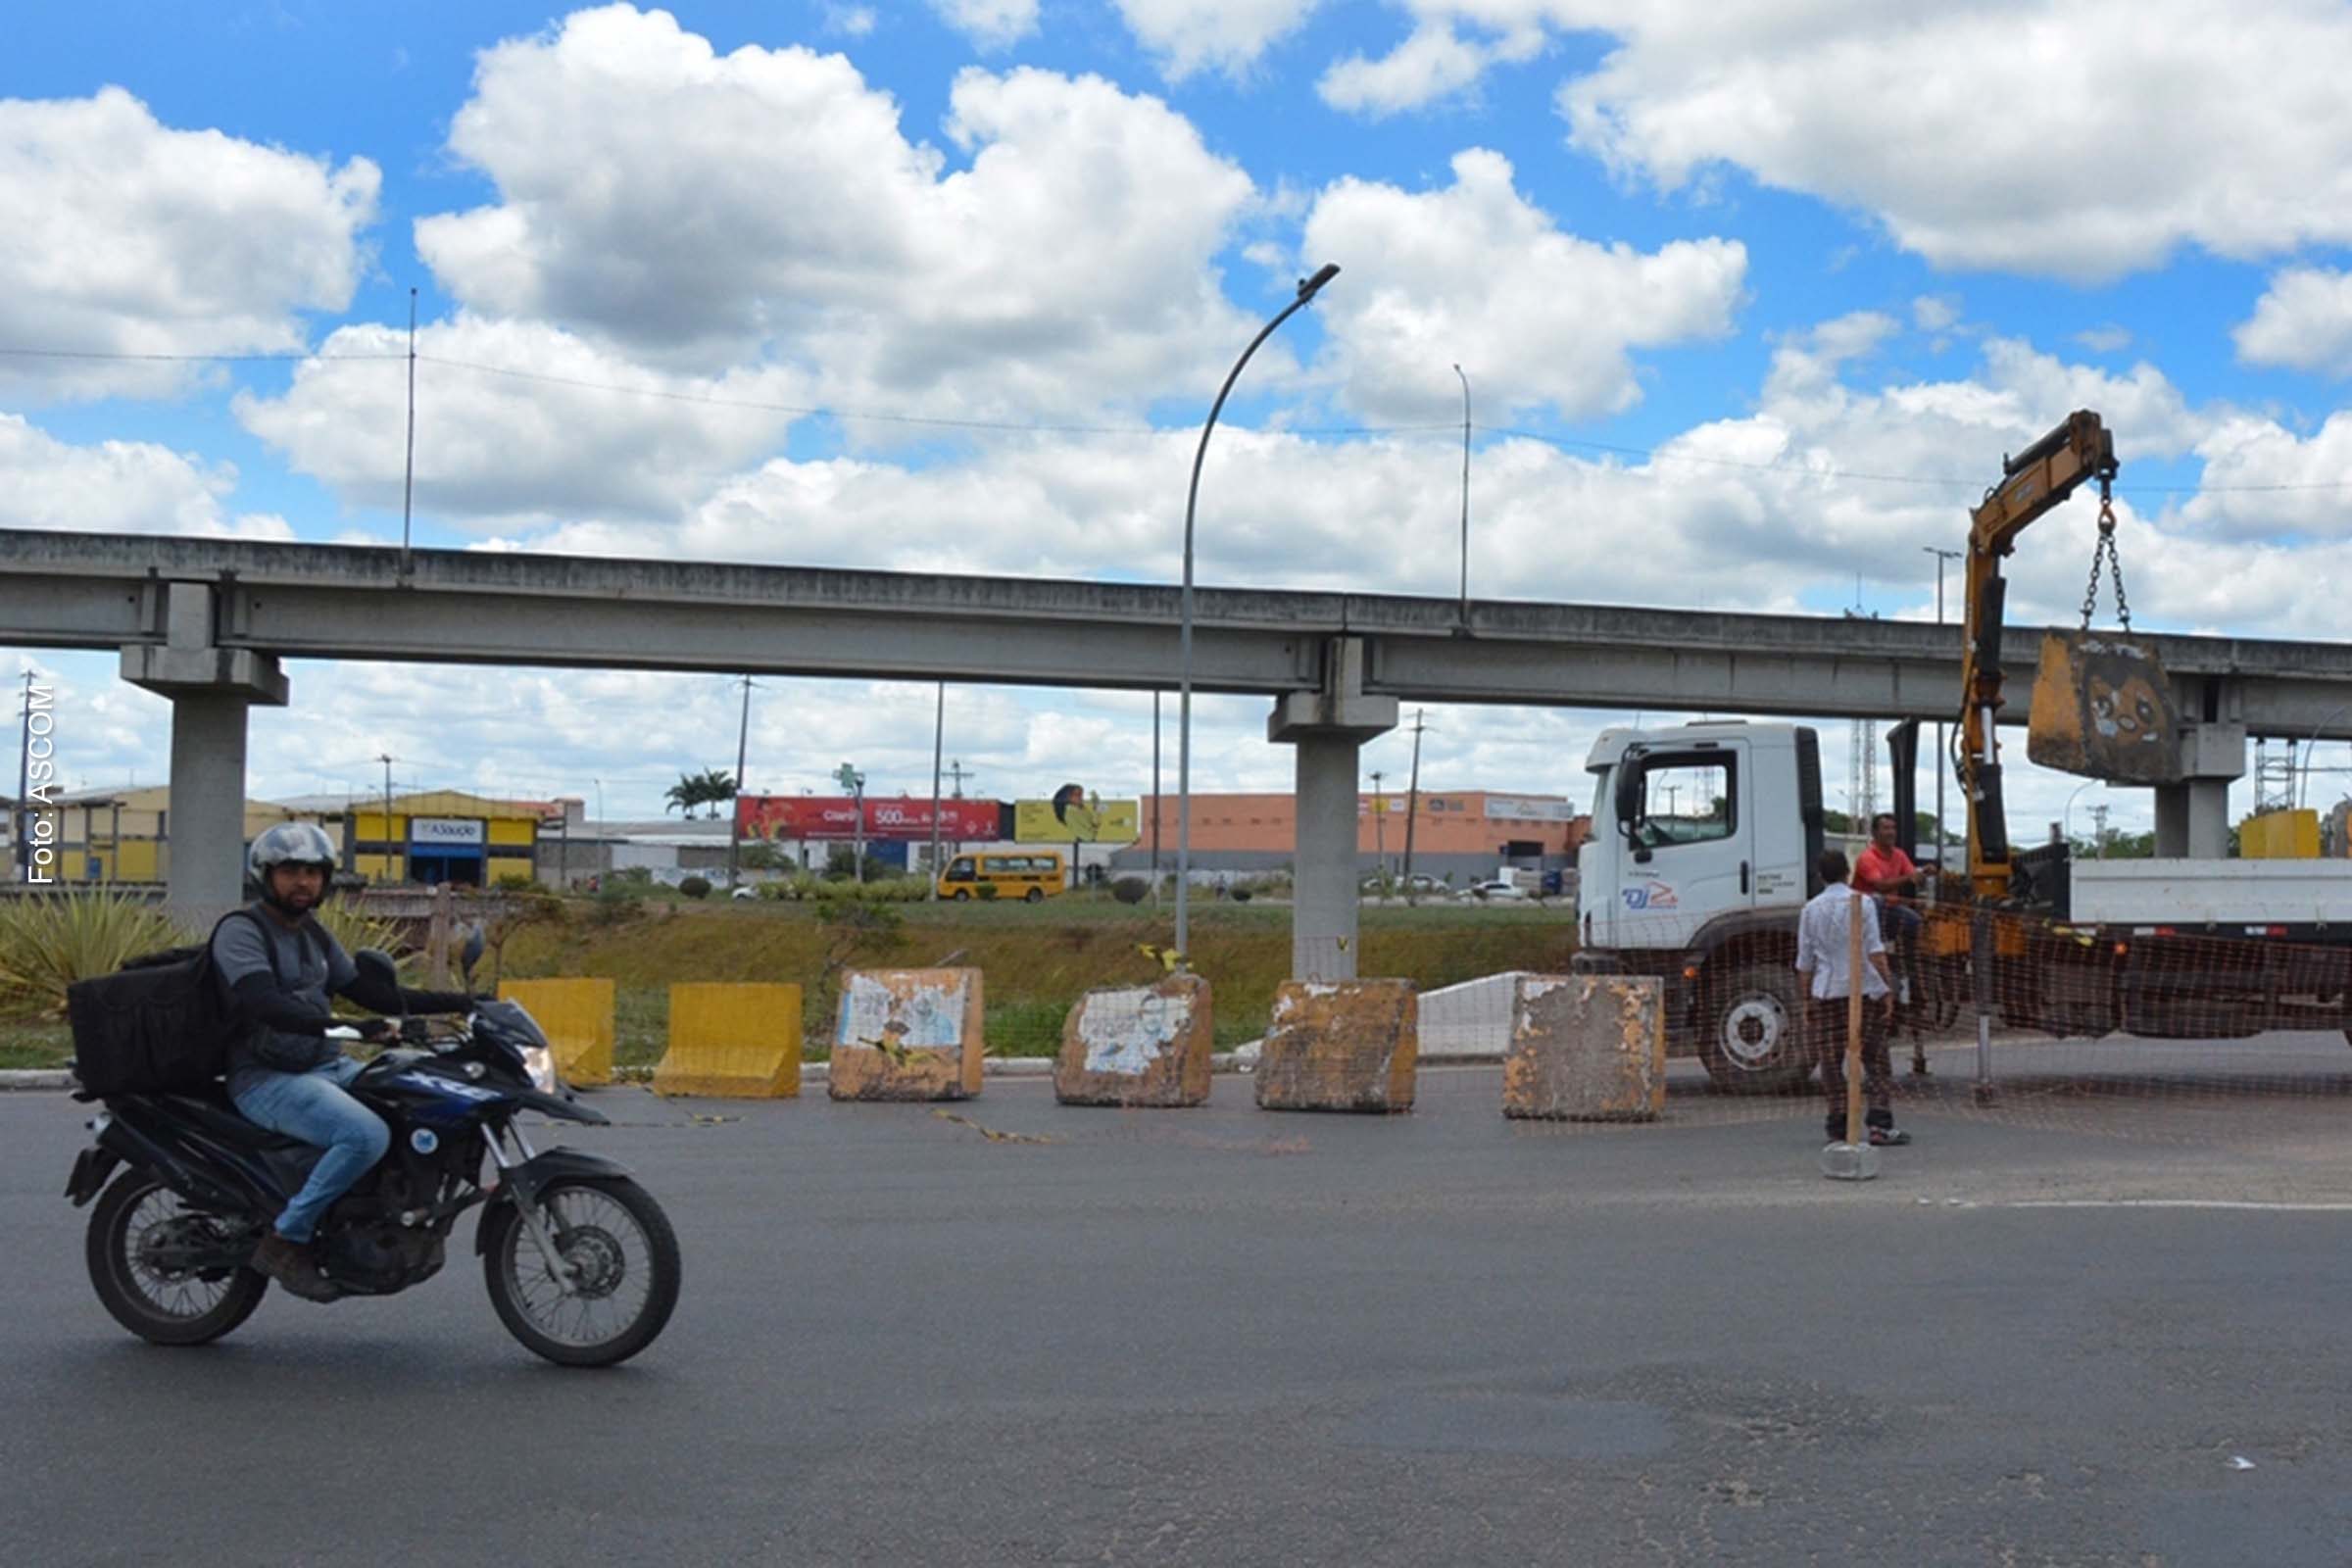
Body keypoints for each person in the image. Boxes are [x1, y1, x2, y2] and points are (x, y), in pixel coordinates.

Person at [220, 823, 476, 1301]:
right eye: (291, 871)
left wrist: (464, 1002)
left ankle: (375, 1210)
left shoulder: (313, 935)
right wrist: (353, 1027)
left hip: (322, 1066)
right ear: (265, 876)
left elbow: (372, 991)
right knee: (365, 1134)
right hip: (265, 1077)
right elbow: (265, 1005)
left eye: (313, 872)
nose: (304, 882)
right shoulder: (242, 932)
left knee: (418, 1094)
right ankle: (286, 1239)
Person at [1794, 848, 1910, 1148]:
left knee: (1831, 1062)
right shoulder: (1863, 903)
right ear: (1848, 872)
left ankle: (1838, 1125)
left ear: (1820, 876)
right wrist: (1886, 990)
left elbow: (1805, 962)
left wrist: (1806, 1000)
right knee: (1876, 1059)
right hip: (1864, 990)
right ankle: (1879, 1125)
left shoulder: (1810, 910)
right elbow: (1875, 951)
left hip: (1827, 991)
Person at [1853, 811, 1926, 954]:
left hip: (1890, 909)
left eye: (1893, 828)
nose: (1891, 832)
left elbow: (1912, 875)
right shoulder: (1867, 858)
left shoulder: (1899, 854)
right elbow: (1881, 886)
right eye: (1886, 828)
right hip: (1864, 912)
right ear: (1875, 832)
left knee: (1914, 921)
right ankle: (1874, 951)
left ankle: (1904, 964)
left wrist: (1923, 873)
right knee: (1877, 901)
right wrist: (1909, 877)